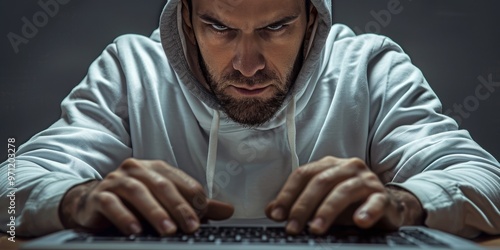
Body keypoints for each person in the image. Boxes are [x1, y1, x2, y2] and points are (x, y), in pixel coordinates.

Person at [1, 0, 499, 239]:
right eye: (218, 26)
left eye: (276, 27)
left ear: (313, 22)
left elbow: (485, 179)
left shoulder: (369, 67)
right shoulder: (132, 69)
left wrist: (403, 202)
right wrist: (76, 199)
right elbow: (8, 187)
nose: (247, 64)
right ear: (185, 21)